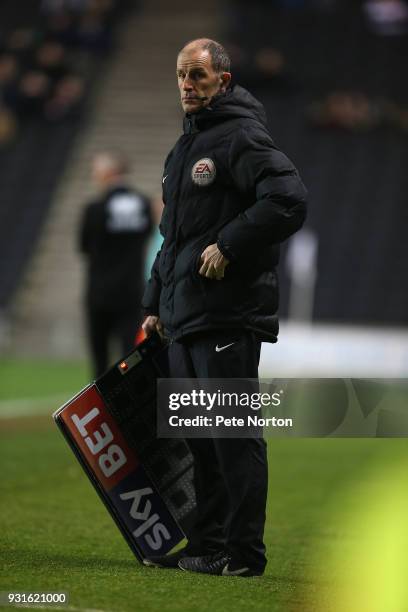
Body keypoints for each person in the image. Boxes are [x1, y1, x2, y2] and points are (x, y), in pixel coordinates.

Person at [141, 39, 307, 577]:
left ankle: (244, 555)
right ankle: (206, 548)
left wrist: (230, 244)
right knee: (198, 441)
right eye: (181, 76)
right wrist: (154, 302)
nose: (187, 85)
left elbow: (287, 198)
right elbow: (174, 239)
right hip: (185, 316)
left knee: (233, 436)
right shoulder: (182, 149)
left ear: (224, 81)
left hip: (228, 315)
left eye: (198, 76)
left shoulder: (241, 136)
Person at [79, 151, 152, 377]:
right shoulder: (143, 204)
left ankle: (99, 408)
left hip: (100, 293)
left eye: (96, 171)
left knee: (99, 360)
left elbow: (83, 246)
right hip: (131, 291)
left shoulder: (94, 209)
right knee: (130, 358)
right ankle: (130, 407)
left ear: (107, 173)